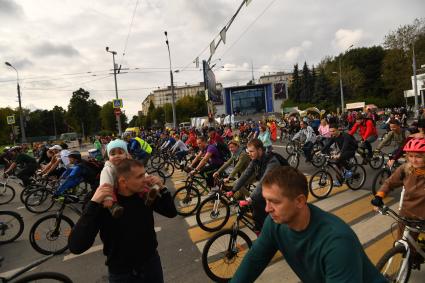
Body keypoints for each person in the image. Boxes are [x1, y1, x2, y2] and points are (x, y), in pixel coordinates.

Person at [230, 166, 387, 283]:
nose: (267, 209)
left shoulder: (337, 242)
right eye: (266, 200)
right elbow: (254, 260)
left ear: (299, 201)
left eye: (275, 202)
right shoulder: (274, 223)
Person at [68, 159, 177, 283]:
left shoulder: (144, 194)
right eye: (140, 176)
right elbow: (76, 246)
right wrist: (93, 203)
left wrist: (162, 188)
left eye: (145, 174)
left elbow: (171, 213)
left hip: (151, 264)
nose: (146, 179)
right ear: (123, 181)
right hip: (122, 273)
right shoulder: (105, 202)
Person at [227, 139, 280, 231]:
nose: (249, 154)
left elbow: (264, 181)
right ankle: (260, 229)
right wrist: (233, 190)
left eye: (252, 151)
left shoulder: (272, 161)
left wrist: (250, 198)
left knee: (264, 210)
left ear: (259, 150)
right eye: (248, 151)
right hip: (268, 188)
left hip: (279, 190)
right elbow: (245, 175)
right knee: (257, 209)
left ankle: (270, 232)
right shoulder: (255, 160)